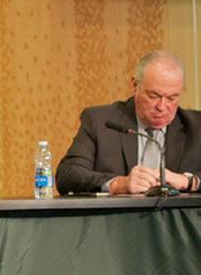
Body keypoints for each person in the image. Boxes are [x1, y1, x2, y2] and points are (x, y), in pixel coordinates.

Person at [56, 50, 201, 195]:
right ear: (134, 85)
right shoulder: (101, 122)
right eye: (154, 96)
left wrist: (188, 181)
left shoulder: (196, 126)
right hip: (118, 217)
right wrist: (118, 184)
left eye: (172, 98)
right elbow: (67, 175)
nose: (162, 107)